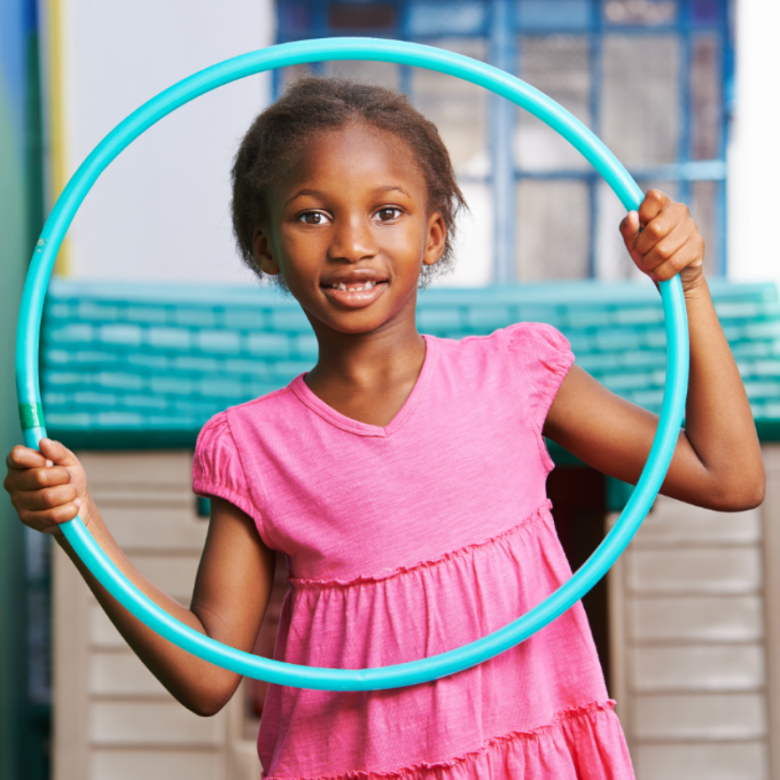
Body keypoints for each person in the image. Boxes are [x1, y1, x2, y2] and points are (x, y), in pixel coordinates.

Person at [4, 78, 764, 779]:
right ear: (265, 246)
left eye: (387, 211)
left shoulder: (516, 373)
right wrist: (80, 521)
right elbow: (207, 676)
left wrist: (687, 284)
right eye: (312, 214)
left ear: (433, 237)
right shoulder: (252, 445)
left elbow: (728, 477)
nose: (352, 243)